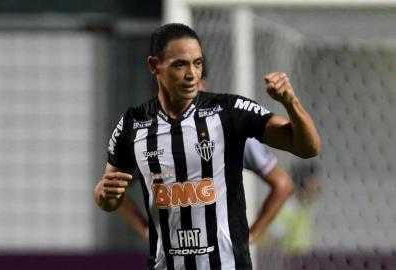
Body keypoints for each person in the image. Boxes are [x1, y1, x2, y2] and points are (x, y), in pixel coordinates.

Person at [94, 23, 320, 270]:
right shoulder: (133, 123)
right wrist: (107, 197)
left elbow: (307, 148)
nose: (192, 74)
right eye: (180, 64)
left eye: (197, 63)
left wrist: (291, 102)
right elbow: (108, 195)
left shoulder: (230, 112)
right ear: (154, 66)